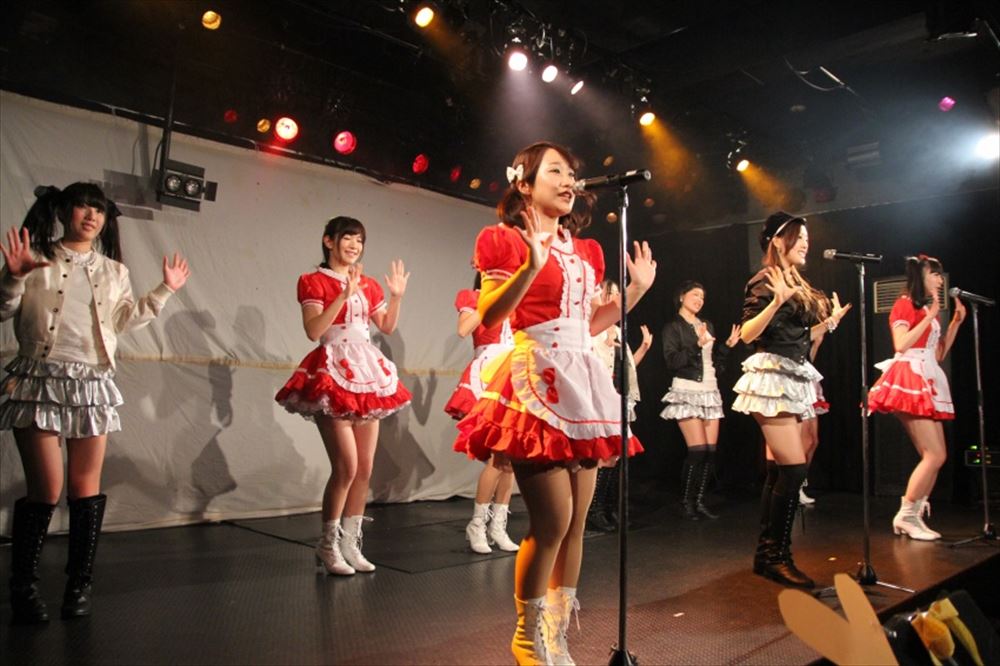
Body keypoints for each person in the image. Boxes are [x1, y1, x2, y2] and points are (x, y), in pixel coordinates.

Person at [453, 141, 655, 665]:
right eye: (556, 171)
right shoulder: (502, 240)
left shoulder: (586, 250)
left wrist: (634, 292)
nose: (568, 181)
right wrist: (529, 267)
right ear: (524, 183)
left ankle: (556, 630)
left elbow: (589, 324)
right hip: (535, 377)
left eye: (571, 173)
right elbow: (490, 316)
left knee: (577, 522)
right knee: (553, 523)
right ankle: (527, 636)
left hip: (581, 377)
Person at [1, 183, 190, 624]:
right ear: (63, 211)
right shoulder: (37, 258)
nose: (92, 216)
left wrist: (165, 289)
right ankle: (24, 586)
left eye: (99, 210)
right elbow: (3, 307)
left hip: (91, 382)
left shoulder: (114, 270)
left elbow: (123, 320)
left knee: (85, 488)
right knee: (45, 490)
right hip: (39, 379)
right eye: (84, 206)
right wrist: (12, 277)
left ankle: (79, 585)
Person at [275, 216, 411, 575]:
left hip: (366, 371)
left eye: (359, 240)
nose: (354, 246)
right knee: (346, 466)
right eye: (348, 238)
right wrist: (343, 295)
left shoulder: (368, 283)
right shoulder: (313, 280)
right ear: (329, 241)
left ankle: (350, 543)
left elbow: (386, 326)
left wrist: (396, 297)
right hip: (333, 369)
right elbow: (314, 330)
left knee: (364, 468)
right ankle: (327, 545)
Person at [733, 211, 850, 589]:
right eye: (799, 237)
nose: (805, 244)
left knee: (780, 471)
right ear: (777, 241)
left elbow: (796, 336)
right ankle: (775, 556)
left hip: (790, 375)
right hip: (771, 377)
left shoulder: (794, 280)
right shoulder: (765, 279)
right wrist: (774, 302)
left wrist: (829, 323)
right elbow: (748, 333)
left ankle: (768, 555)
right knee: (794, 469)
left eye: (806, 238)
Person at [869, 254, 965, 540]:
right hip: (909, 376)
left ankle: (914, 514)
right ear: (921, 276)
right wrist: (931, 317)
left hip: (927, 374)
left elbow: (938, 353)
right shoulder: (904, 304)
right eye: (934, 274)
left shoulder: (926, 308)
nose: (939, 280)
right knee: (934, 454)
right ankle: (906, 515)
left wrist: (954, 323)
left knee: (937, 455)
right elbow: (901, 344)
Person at [444, 277, 519, 554]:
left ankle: (498, 526)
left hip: (515, 372)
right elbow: (463, 329)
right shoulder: (473, 296)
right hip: (489, 372)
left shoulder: (517, 298)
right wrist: (489, 299)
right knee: (498, 457)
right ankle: (477, 524)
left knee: (511, 458)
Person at [660, 280, 740, 520]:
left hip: (710, 390)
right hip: (687, 389)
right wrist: (697, 344)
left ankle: (700, 501)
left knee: (710, 452)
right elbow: (672, 361)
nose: (699, 300)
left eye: (702, 297)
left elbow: (715, 364)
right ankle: (686, 502)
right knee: (697, 450)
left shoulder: (708, 325)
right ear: (682, 296)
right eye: (695, 295)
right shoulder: (673, 327)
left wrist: (726, 347)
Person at [586, 279, 653, 533]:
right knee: (604, 456)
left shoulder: (617, 331)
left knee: (616, 455)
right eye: (609, 293)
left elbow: (627, 366)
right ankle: (593, 511)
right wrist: (605, 343)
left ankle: (607, 507)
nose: (614, 297)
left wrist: (643, 348)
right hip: (601, 399)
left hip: (619, 397)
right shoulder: (592, 329)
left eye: (617, 293)